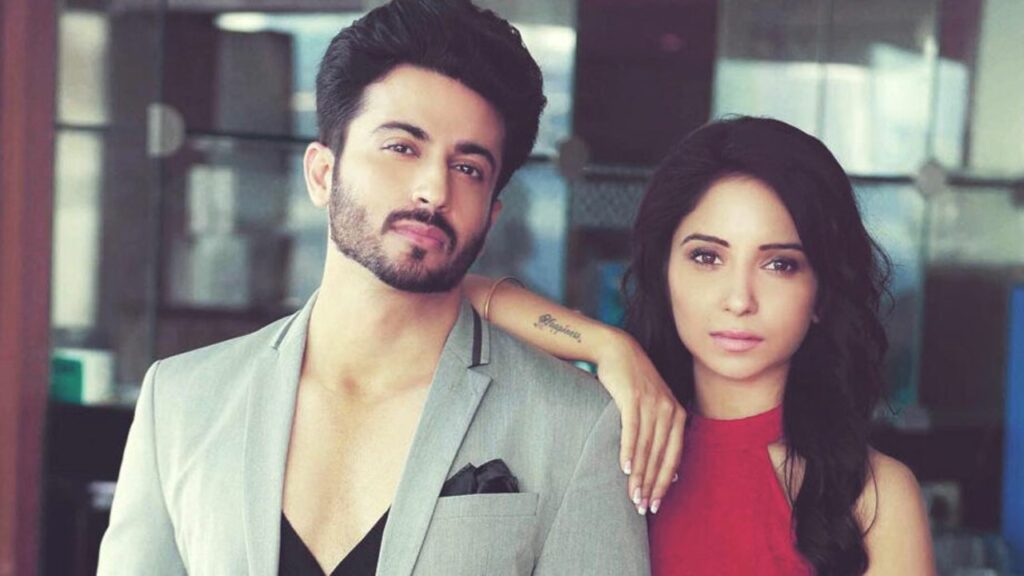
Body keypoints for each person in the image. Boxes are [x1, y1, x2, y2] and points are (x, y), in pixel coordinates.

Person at [96, 1, 650, 574]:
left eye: (468, 168)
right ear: (322, 174)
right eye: (402, 147)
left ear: (491, 213)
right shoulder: (181, 401)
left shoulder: (574, 426)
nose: (433, 190)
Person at [467, 116, 936, 575]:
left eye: (779, 264)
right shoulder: (613, 446)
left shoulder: (875, 496)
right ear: (664, 272)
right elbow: (453, 295)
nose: (739, 299)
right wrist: (608, 346)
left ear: (822, 292)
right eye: (707, 257)